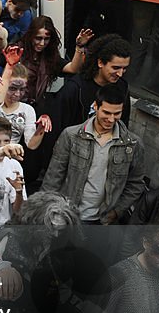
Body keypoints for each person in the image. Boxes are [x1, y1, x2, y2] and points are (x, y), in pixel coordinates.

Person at [41, 83, 145, 225]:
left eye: (117, 114)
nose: (111, 119)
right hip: (65, 216)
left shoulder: (132, 144)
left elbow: (135, 184)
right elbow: (53, 177)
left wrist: (117, 211)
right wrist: (45, 211)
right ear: (95, 106)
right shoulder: (71, 135)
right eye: (106, 113)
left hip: (101, 221)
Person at [54, 33, 131, 132]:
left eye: (124, 68)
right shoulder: (75, 89)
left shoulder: (122, 87)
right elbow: (59, 126)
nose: (120, 74)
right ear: (100, 63)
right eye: (115, 68)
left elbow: (123, 125)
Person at [12, 16, 84, 106]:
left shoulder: (49, 57)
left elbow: (73, 68)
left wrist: (79, 47)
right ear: (31, 36)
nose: (42, 43)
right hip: (13, 103)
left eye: (46, 39)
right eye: (38, 38)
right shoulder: (16, 51)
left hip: (35, 105)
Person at [0, 63, 51, 151]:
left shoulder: (27, 110)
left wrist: (41, 127)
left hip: (10, 161)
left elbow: (31, 145)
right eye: (12, 88)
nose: (17, 94)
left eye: (22, 89)